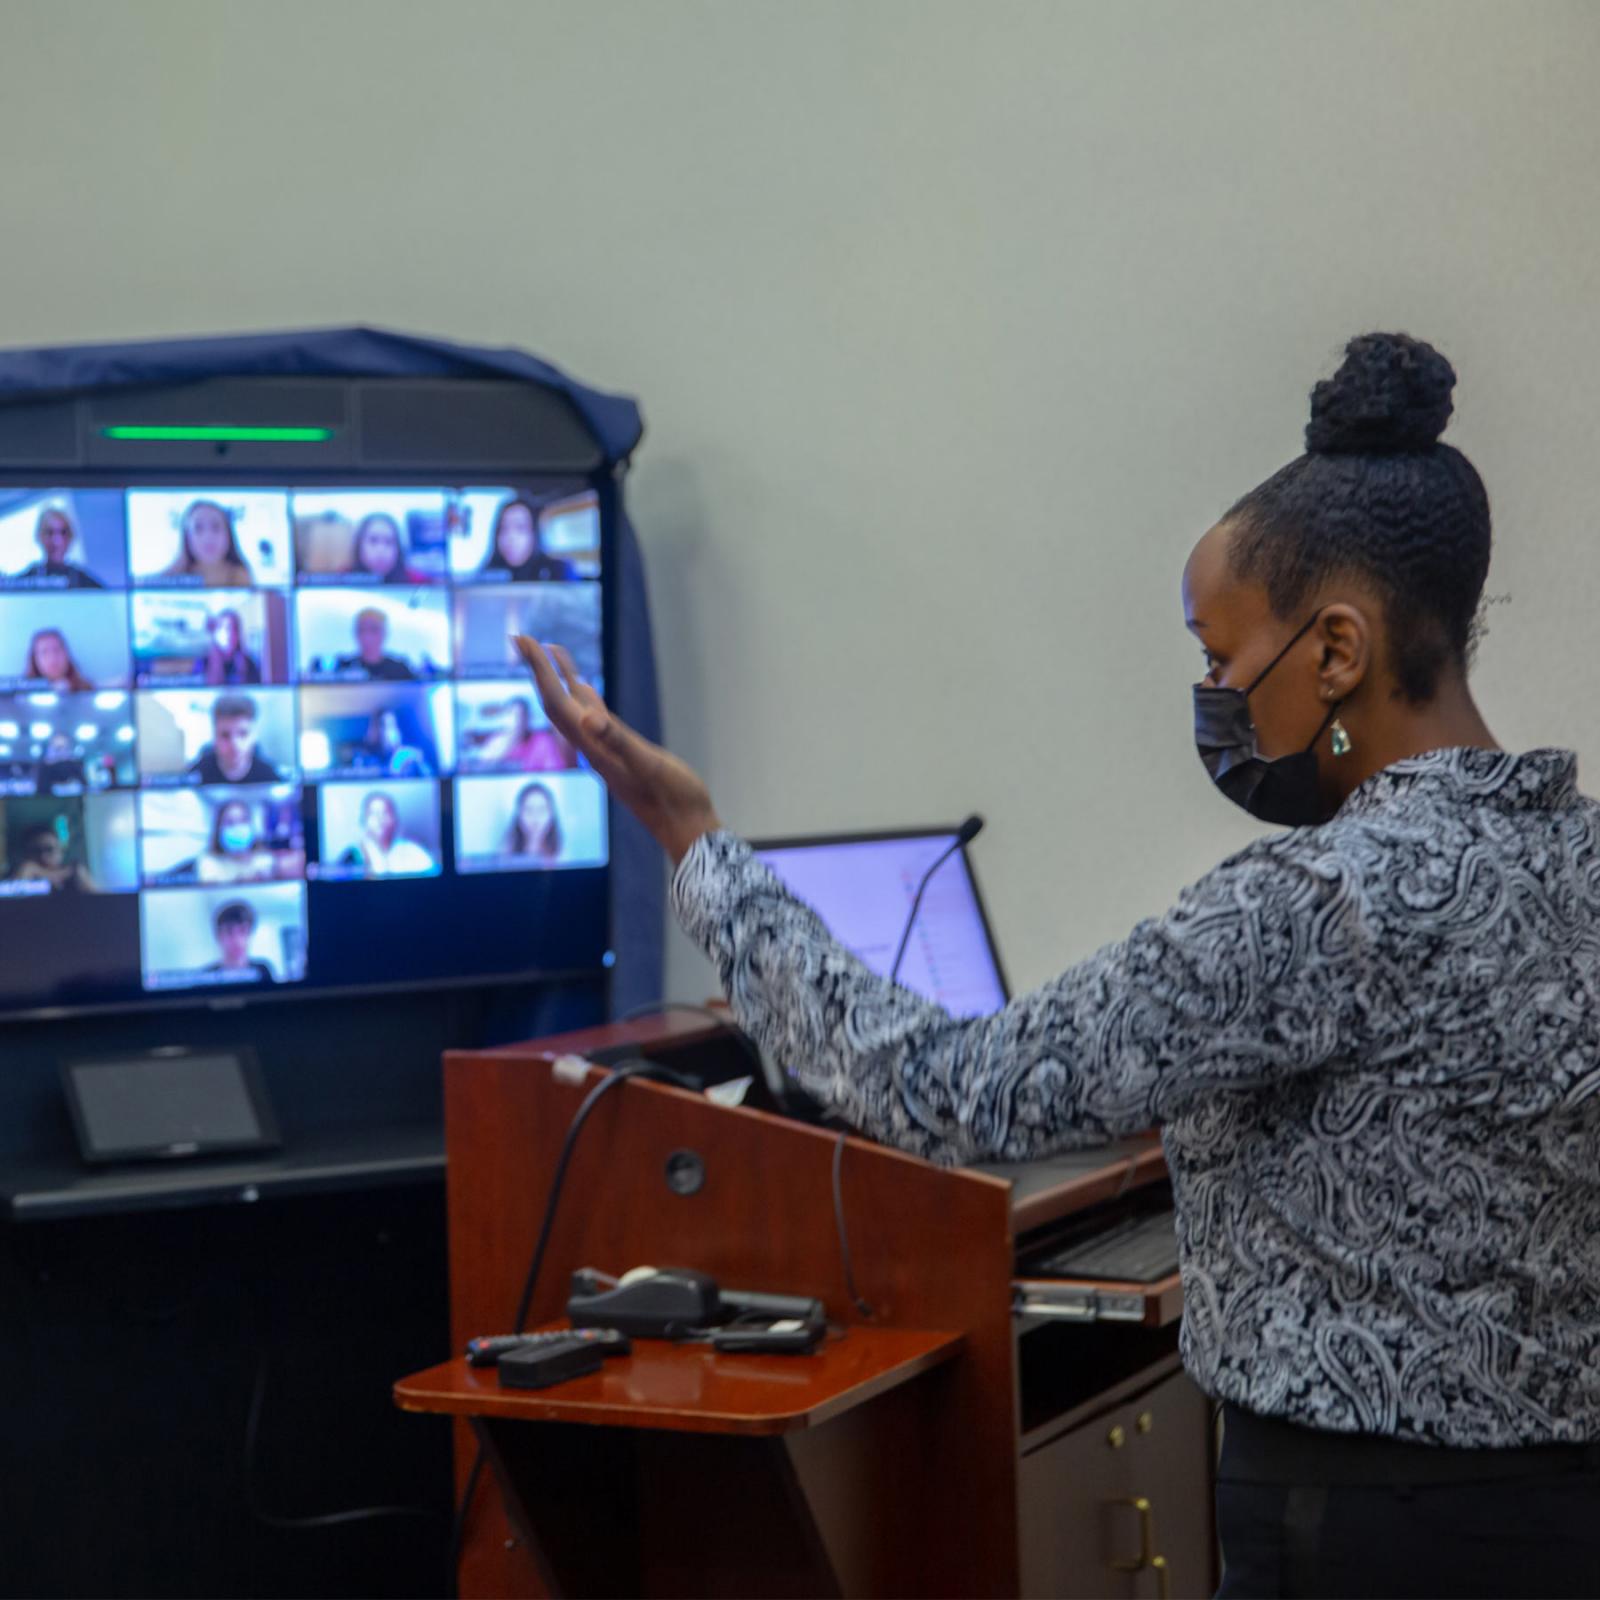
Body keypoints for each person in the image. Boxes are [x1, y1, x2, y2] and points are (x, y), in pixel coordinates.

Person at [516, 333, 1600, 1600]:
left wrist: (697, 847)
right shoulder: (1572, 852)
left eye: (1219, 657)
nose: (1212, 694)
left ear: (1338, 651)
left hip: (1364, 1529)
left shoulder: (1319, 902)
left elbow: (951, 1087)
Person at [336, 791, 436, 877]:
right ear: (364, 821)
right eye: (374, 813)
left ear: (395, 819)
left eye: (386, 812)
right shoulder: (352, 856)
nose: (380, 819)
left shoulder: (413, 851)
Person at [188, 694, 282, 784]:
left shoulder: (269, 776)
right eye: (225, 735)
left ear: (254, 736)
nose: (234, 744)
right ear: (215, 736)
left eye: (243, 733)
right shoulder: (195, 775)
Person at [160, 500, 253, 587]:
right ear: (186, 537)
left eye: (216, 527)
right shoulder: (169, 579)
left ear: (228, 534)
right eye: (198, 528)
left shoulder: (240, 575)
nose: (208, 537)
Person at [481, 497, 575, 583]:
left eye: (521, 527)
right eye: (503, 528)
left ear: (535, 533)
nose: (510, 537)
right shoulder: (487, 575)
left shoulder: (559, 571)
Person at [470, 698, 577, 772]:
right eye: (513, 715)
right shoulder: (498, 742)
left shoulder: (542, 741)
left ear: (528, 718)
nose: (518, 721)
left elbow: (555, 769)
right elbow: (482, 766)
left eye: (521, 716)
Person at [11, 505, 103, 589]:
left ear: (71, 537)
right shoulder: (26, 580)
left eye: (63, 533)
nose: (56, 541)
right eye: (49, 533)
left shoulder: (85, 583)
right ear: (39, 536)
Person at [196, 798, 276, 884]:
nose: (238, 828)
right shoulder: (208, 862)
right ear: (218, 829)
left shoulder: (264, 859)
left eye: (243, 820)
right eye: (230, 822)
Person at [5, 821, 94, 891]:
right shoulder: (23, 873)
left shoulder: (75, 873)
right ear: (26, 854)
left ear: (61, 852)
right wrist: (26, 871)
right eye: (35, 851)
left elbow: (101, 904)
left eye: (49, 849)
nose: (43, 856)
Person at [332, 608, 417, 680]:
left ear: (385, 632)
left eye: (373, 630)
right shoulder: (344, 667)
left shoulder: (400, 669)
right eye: (362, 630)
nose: (367, 636)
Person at [203, 900, 274, 982]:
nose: (237, 940)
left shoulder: (263, 971)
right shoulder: (207, 975)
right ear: (219, 936)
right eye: (229, 932)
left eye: (243, 930)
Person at [190, 608, 261, 685]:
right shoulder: (203, 663)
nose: (229, 633)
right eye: (224, 628)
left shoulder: (249, 664)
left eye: (234, 628)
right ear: (215, 633)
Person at [352, 708, 430, 778]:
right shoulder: (363, 760)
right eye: (377, 726)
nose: (383, 732)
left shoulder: (410, 757)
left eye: (388, 726)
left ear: (398, 732)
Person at [348, 513, 419, 585]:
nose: (381, 550)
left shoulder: (418, 582)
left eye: (389, 542)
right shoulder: (340, 579)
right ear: (359, 544)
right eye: (373, 540)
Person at [502, 780, 563, 861]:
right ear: (519, 815)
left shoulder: (562, 856)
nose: (535, 818)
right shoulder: (506, 854)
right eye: (528, 810)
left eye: (542, 809)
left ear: (551, 815)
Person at [26, 627, 93, 690]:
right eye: (44, 652)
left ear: (66, 654)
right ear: (34, 659)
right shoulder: (22, 694)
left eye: (57, 650)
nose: (52, 658)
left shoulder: (86, 690)